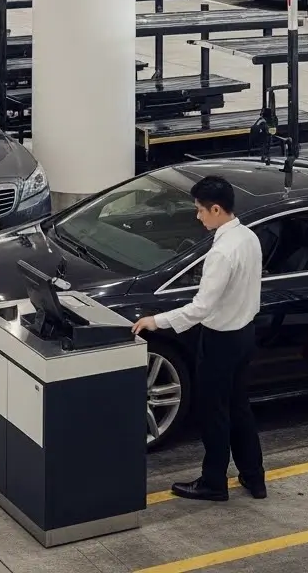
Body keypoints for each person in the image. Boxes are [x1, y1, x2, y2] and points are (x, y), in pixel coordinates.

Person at [132, 176, 266, 502]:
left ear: (216, 209)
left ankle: (213, 482)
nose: (198, 216)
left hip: (220, 340)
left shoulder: (221, 253)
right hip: (245, 333)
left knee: (215, 413)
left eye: (200, 210)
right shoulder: (249, 238)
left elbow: (201, 308)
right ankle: (254, 478)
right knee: (239, 408)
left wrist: (156, 321)